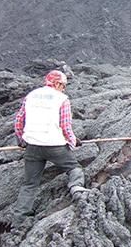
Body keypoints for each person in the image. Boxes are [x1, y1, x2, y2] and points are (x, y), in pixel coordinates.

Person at [12, 70, 87, 228]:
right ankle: (77, 189)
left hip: (32, 146)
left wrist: (21, 140)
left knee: (29, 184)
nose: (64, 89)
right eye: (63, 85)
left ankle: (18, 221)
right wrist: (73, 141)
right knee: (74, 168)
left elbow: (19, 121)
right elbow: (66, 126)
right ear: (57, 84)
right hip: (54, 145)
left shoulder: (31, 95)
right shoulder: (61, 99)